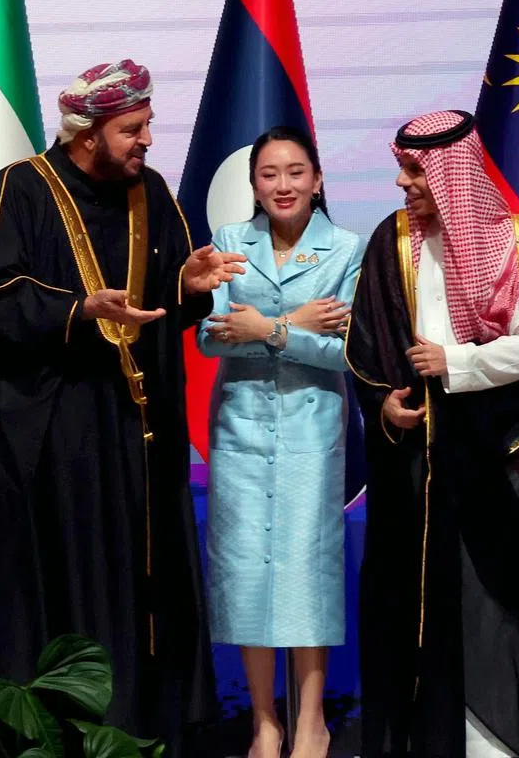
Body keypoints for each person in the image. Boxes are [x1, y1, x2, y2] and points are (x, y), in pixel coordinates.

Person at [0, 59, 245, 753]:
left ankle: (144, 725)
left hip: (138, 429)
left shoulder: (152, 191)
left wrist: (190, 285)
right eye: (132, 129)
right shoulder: (18, 189)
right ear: (87, 134)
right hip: (57, 435)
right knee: (73, 574)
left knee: (142, 577)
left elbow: (164, 302)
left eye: (147, 125)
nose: (146, 140)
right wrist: (80, 309)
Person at [345, 110, 519, 758]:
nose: (402, 183)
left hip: (497, 453)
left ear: (452, 175)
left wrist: (457, 363)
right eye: (402, 168)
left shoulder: (516, 242)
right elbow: (367, 344)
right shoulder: (391, 240)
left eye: (415, 171)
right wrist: (384, 404)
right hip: (415, 459)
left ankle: (500, 741)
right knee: (414, 598)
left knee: (498, 596)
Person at [197, 125, 362, 758]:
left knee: (306, 568)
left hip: (312, 427)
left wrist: (265, 328)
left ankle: (312, 722)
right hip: (239, 426)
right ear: (254, 184)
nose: (283, 185)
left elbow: (346, 350)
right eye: (269, 174)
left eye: (296, 172)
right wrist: (295, 323)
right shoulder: (229, 242)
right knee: (244, 570)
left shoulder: (345, 248)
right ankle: (265, 722)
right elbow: (211, 336)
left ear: (317, 180)